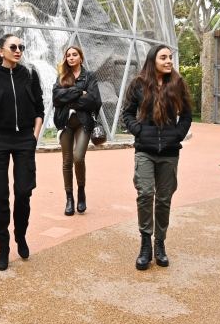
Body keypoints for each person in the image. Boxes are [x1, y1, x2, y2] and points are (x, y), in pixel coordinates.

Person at [120, 44, 193, 271]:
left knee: (163, 199)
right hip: (145, 149)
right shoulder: (138, 84)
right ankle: (145, 244)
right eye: (163, 57)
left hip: (169, 152)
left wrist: (177, 134)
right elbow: (127, 113)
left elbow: (187, 114)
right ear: (153, 61)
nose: (169, 61)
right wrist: (139, 131)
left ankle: (159, 243)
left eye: (170, 57)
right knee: (145, 194)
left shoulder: (177, 83)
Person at [0, 33, 44, 271]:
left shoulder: (30, 74)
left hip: (25, 138)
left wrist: (34, 136)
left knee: (24, 191)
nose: (18, 51)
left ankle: (20, 235)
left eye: (21, 47)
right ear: (0, 51)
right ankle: (3, 246)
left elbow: (39, 109)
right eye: (13, 47)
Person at [51, 45, 102, 216]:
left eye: (74, 54)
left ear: (81, 57)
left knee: (78, 157)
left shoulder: (89, 76)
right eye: (68, 55)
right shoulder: (62, 76)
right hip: (64, 122)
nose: (71, 57)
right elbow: (56, 98)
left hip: (83, 122)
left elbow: (94, 101)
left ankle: (81, 191)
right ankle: (69, 199)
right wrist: (80, 92)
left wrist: (68, 98)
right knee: (67, 161)